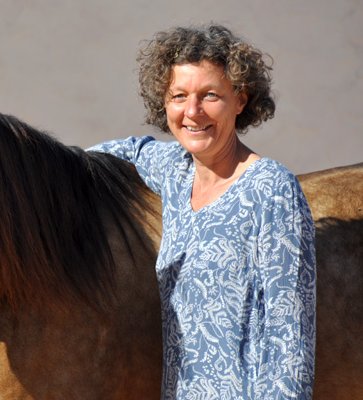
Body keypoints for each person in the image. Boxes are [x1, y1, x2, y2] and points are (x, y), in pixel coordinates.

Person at [88, 24, 316, 399]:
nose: (192, 112)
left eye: (210, 95)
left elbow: (288, 336)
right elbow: (122, 151)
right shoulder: (175, 170)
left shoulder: (272, 189)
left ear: (241, 100)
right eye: (178, 96)